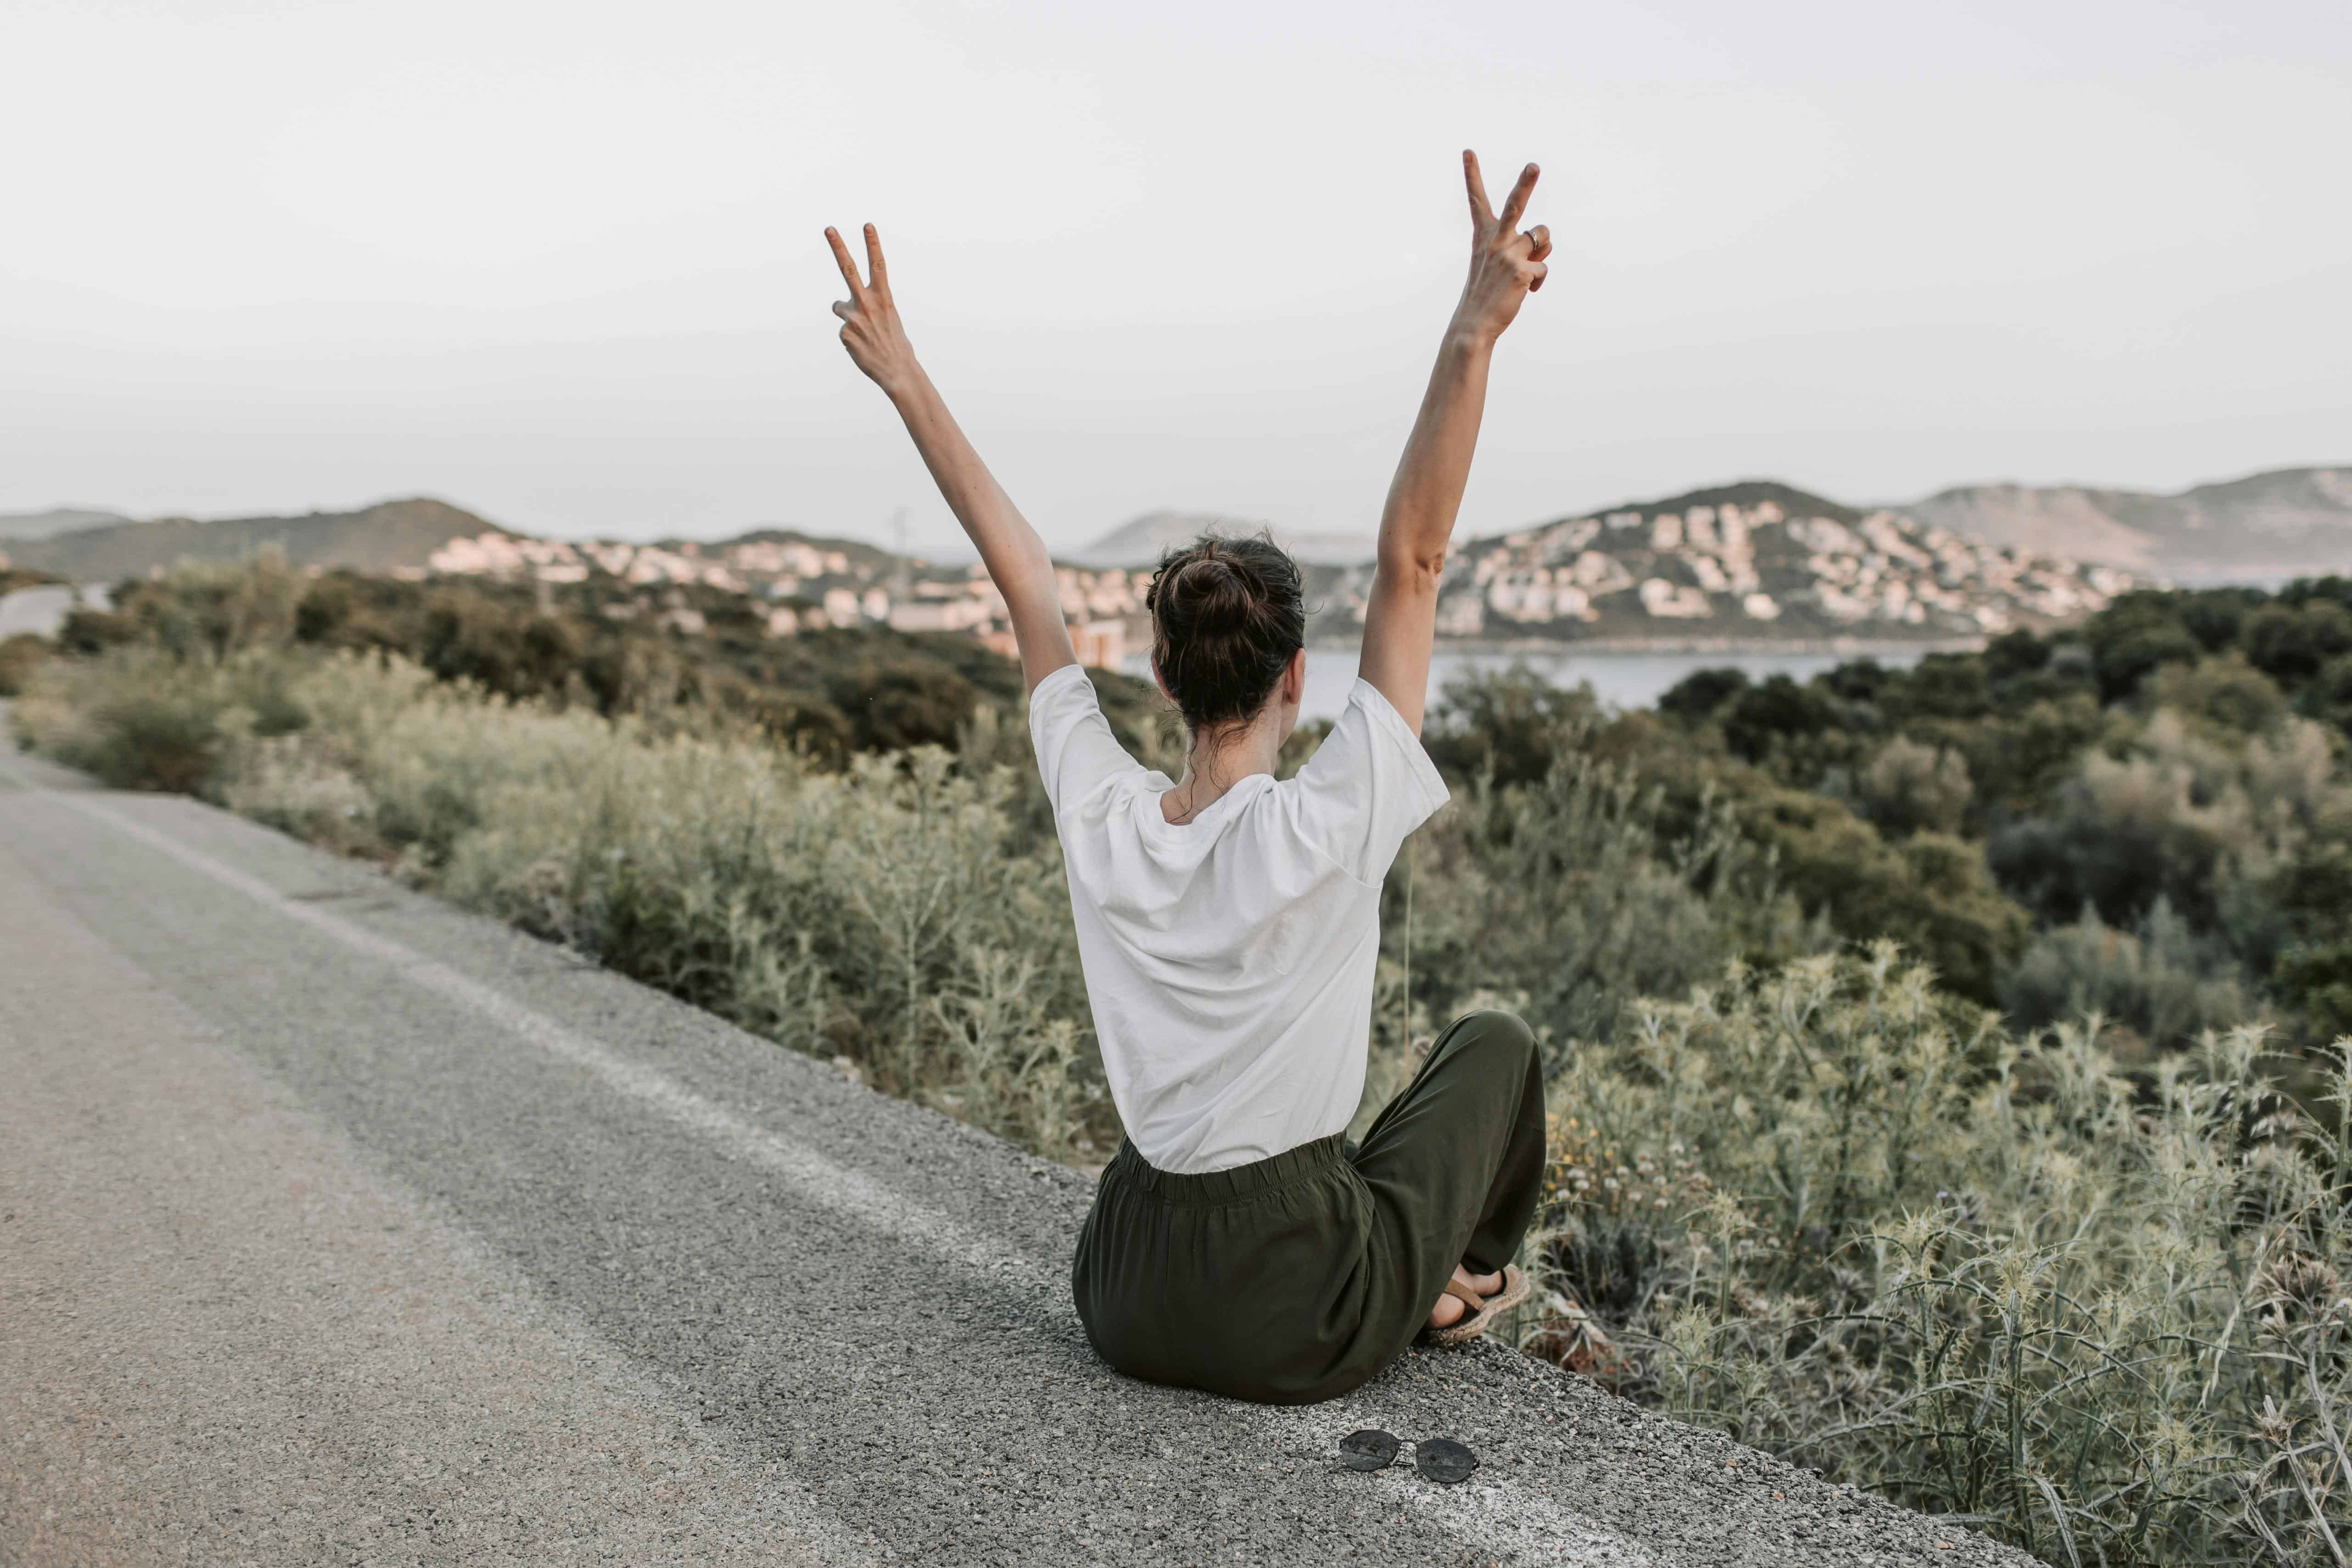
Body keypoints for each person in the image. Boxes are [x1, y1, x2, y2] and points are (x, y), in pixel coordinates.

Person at [824, 150, 1550, 1404]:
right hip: (1288, 1308)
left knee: (1340, 1143)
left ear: (1157, 679)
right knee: (1489, 1046)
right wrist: (1471, 330)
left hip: (1123, 1286)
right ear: (1296, 684)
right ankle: (1460, 1286)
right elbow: (1413, 562)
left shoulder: (1102, 815)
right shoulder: (1336, 810)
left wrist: (903, 377)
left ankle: (1428, 1285)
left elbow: (1024, 581)